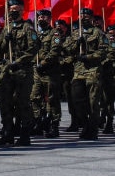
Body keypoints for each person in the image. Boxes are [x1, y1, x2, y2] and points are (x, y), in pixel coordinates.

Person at [0, 0, 39, 146]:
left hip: (22, 71)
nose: (12, 12)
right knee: (4, 101)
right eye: (11, 10)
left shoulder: (28, 28)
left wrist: (18, 62)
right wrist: (4, 40)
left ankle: (24, 133)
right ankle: (8, 132)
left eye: (16, 10)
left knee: (22, 102)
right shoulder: (7, 28)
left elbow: (33, 48)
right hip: (7, 70)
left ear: (22, 10)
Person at [64, 8, 106, 140]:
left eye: (87, 16)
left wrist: (88, 57)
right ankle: (86, 124)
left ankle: (93, 129)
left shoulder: (98, 33)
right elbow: (66, 49)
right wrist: (77, 43)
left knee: (93, 102)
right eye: (82, 15)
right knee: (77, 100)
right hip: (78, 71)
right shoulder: (75, 33)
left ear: (92, 18)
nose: (84, 18)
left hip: (93, 71)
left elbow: (104, 52)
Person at [31, 14, 64, 139]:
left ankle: (54, 125)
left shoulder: (55, 34)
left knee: (52, 99)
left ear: (50, 19)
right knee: (34, 97)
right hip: (37, 72)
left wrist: (43, 63)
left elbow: (55, 51)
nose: (41, 19)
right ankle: (39, 122)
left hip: (50, 72)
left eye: (44, 17)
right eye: (39, 17)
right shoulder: (37, 34)